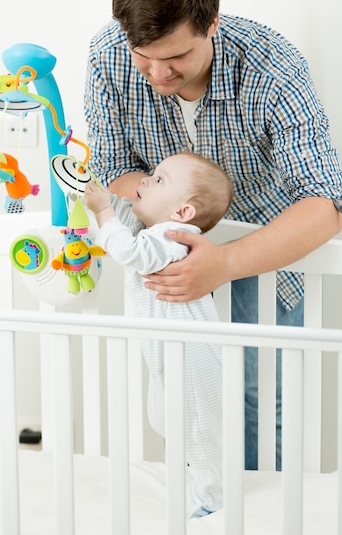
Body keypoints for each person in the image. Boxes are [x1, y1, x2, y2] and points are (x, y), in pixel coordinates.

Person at [84, 0, 342, 470]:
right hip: (169, 259)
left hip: (262, 252)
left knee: (262, 398)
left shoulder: (273, 66)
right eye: (145, 55)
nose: (158, 74)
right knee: (185, 399)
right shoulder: (107, 54)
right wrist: (174, 229)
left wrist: (225, 261)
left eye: (176, 57)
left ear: (211, 25)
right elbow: (115, 167)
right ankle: (205, 502)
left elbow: (327, 202)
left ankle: (262, 514)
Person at [84, 151, 234, 517]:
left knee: (199, 429)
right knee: (168, 418)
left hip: (193, 358)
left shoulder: (174, 237)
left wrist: (103, 211)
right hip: (172, 355)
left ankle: (214, 497)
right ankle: (201, 482)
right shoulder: (158, 232)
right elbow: (125, 228)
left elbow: (128, 251)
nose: (146, 180)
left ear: (183, 212)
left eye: (160, 179)